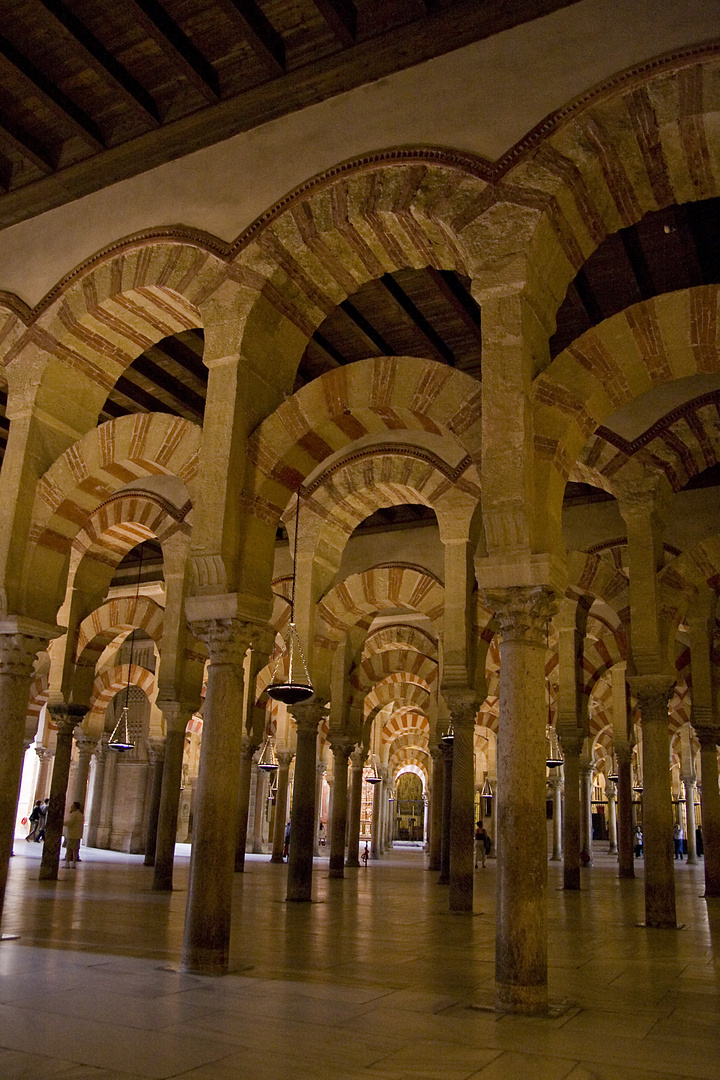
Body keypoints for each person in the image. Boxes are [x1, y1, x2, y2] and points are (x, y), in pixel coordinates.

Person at [63, 801, 84, 868]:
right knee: (75, 850)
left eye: (72, 806)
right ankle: (74, 864)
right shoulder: (81, 815)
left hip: (72, 834)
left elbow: (70, 822)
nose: (71, 807)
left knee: (69, 850)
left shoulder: (74, 814)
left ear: (75, 807)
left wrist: (62, 823)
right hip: (77, 835)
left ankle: (67, 863)